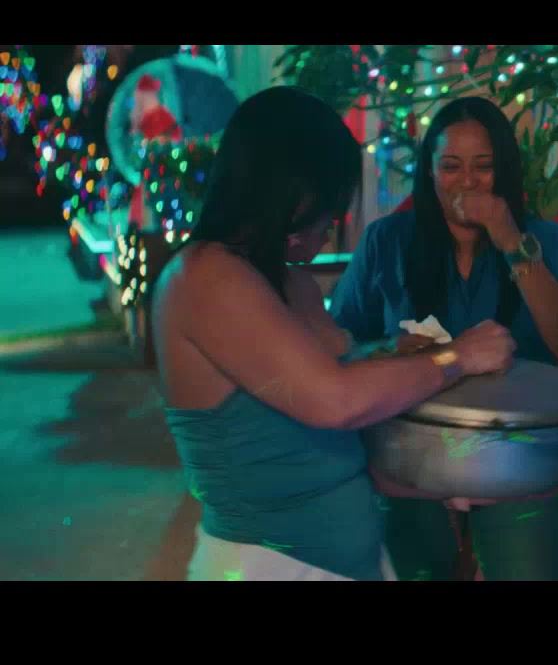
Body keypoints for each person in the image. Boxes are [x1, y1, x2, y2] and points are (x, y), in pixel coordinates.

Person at [153, 86, 516, 581]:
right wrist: (458, 357)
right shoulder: (204, 277)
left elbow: (336, 421)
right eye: (331, 200)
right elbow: (336, 400)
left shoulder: (290, 281)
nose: (335, 219)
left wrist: (451, 477)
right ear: (291, 190)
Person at [329, 96, 558, 581]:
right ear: (429, 171)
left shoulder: (546, 240)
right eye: (451, 167)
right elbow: (340, 350)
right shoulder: (387, 241)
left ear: (504, 170)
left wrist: (511, 241)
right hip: (409, 458)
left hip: (519, 461)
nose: (467, 182)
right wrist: (390, 351)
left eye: (483, 166)